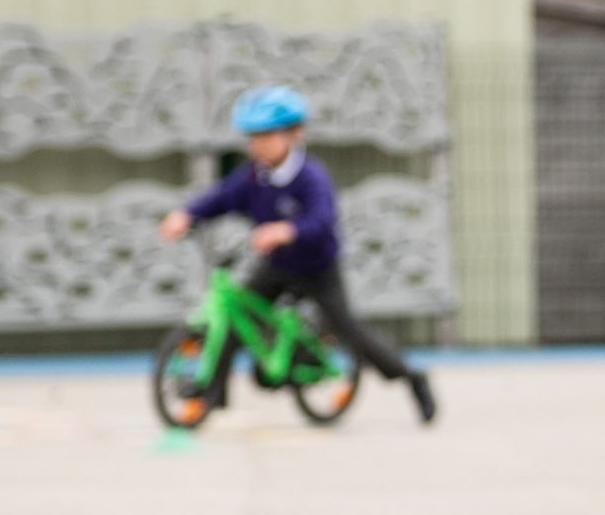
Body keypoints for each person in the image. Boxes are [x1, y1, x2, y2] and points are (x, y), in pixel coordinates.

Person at [160, 85, 437, 423]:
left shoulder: (311, 177)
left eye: (266, 136)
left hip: (317, 270)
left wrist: (285, 230)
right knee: (236, 315)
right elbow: (220, 198)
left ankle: (411, 378)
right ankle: (212, 395)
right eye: (252, 137)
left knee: (351, 332)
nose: (257, 145)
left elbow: (320, 220)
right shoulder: (252, 177)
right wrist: (186, 215)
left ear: (294, 135)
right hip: (277, 267)